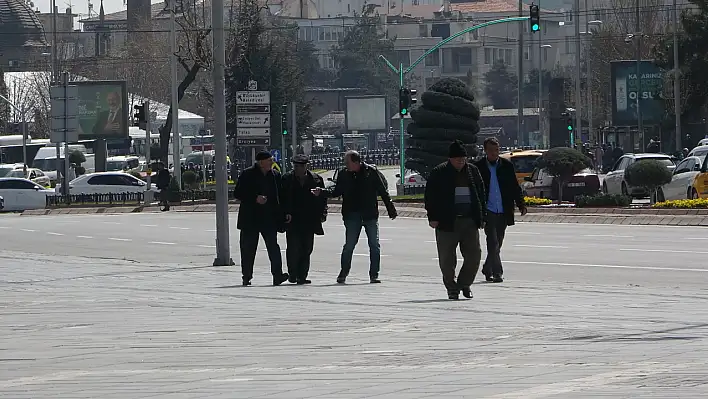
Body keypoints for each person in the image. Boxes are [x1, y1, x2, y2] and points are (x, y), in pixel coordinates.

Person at [311, 150, 397, 284]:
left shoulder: (371, 172)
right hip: (352, 215)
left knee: (374, 245)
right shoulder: (344, 174)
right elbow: (336, 191)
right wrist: (321, 192)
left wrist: (391, 209)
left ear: (356, 162)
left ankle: (374, 274)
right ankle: (343, 273)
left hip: (370, 215)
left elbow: (382, 191)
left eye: (348, 162)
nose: (346, 165)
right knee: (349, 245)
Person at [424, 140, 486, 300]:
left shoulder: (472, 171)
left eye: (463, 158)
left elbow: (481, 194)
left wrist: (482, 216)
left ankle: (464, 283)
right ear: (450, 159)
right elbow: (430, 197)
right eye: (457, 158)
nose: (461, 161)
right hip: (446, 222)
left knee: (474, 255)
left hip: (469, 220)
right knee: (446, 259)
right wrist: (433, 217)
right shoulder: (439, 172)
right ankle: (452, 288)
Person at [474, 137, 527, 283]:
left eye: (497, 150)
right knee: (493, 241)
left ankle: (487, 267)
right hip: (488, 210)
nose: (494, 153)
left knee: (499, 241)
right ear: (485, 151)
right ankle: (497, 272)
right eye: (491, 150)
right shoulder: (478, 167)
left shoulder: (506, 166)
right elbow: (475, 190)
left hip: (503, 209)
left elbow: (514, 187)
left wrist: (521, 204)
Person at [233, 150, 289, 286]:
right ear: (261, 162)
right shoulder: (248, 174)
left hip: (269, 218)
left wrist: (284, 212)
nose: (272, 163)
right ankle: (246, 276)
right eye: (269, 160)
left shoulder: (275, 175)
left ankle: (277, 275)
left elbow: (280, 196)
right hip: (250, 218)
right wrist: (255, 198)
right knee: (248, 249)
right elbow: (238, 193)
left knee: (273, 247)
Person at [282, 154, 328, 284]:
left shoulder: (316, 179)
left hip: (309, 219)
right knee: (293, 247)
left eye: (301, 166)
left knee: (307, 248)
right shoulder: (287, 179)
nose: (298, 168)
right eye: (295, 166)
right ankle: (293, 274)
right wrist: (285, 213)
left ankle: (302, 276)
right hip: (293, 219)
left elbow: (323, 199)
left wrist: (323, 214)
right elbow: (282, 199)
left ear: (306, 166)